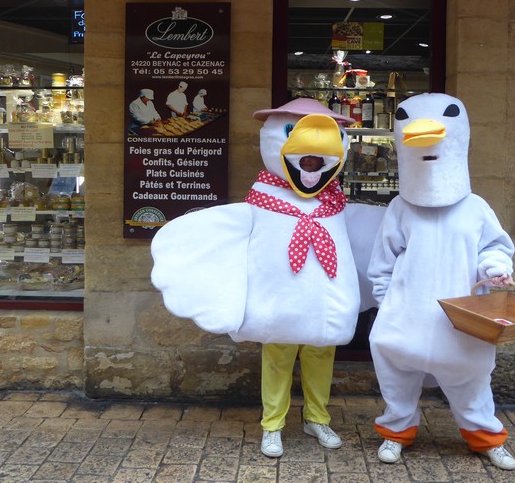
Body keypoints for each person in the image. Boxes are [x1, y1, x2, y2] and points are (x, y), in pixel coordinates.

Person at [150, 98, 364, 459]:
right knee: (277, 360)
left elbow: (358, 240)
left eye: (317, 159)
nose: (310, 164)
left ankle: (317, 418)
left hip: (323, 304)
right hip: (280, 301)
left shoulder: (335, 201)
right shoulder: (262, 200)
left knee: (320, 360)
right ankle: (273, 425)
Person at [368, 93, 515, 471]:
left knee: (471, 379)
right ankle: (395, 433)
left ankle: (485, 438)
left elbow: (494, 247)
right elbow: (383, 260)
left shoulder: (476, 207)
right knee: (398, 378)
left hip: (462, 316)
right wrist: (388, 304)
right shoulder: (399, 208)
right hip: (408, 311)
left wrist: (494, 269)